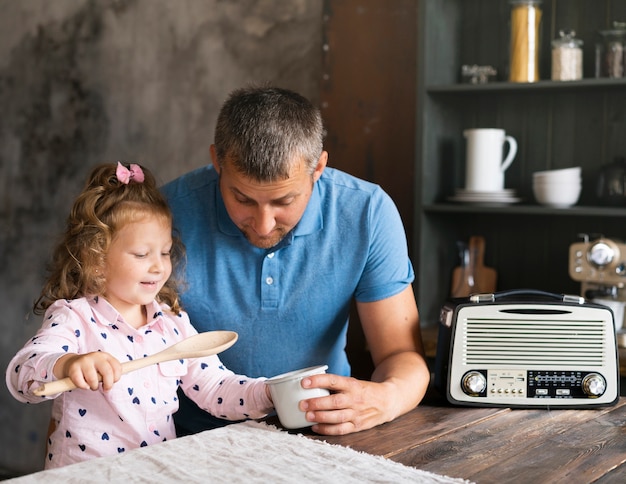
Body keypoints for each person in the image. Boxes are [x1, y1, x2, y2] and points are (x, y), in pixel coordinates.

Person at [162, 85, 430, 437]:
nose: (263, 225)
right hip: (187, 435)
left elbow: (401, 354)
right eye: (242, 198)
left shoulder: (366, 212)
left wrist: (386, 398)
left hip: (321, 431)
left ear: (318, 167)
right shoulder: (163, 215)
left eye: (284, 201)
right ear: (217, 161)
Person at [6, 162, 273, 469]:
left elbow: (215, 388)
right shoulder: (74, 318)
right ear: (96, 260)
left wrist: (268, 393)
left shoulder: (172, 324)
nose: (159, 266)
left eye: (164, 252)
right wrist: (67, 363)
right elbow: (22, 375)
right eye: (142, 255)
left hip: (151, 473)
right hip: (84, 476)